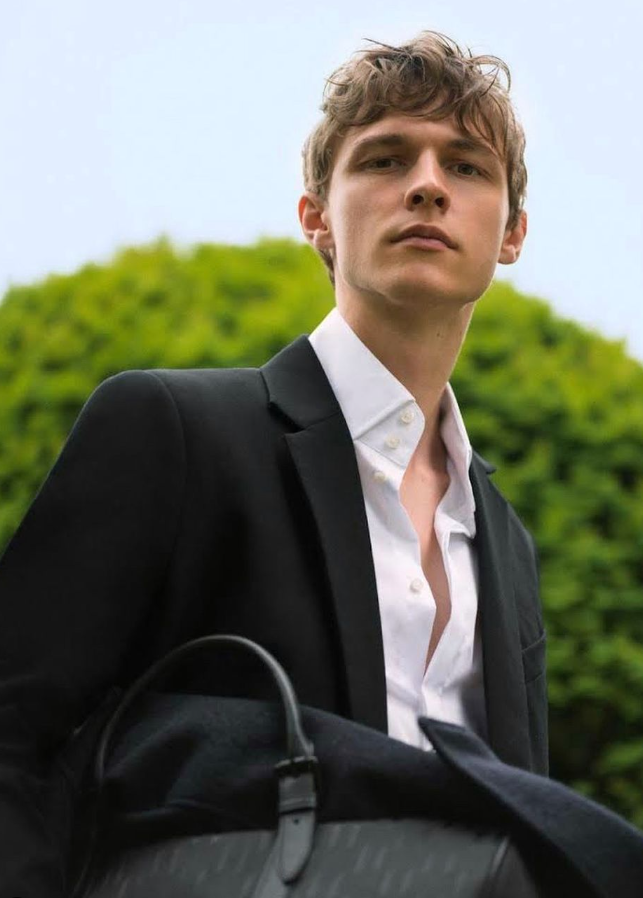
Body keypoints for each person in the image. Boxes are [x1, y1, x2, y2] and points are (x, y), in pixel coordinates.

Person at [0, 30, 544, 896]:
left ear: (510, 233)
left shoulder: (504, 539)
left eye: (467, 166)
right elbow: (13, 732)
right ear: (316, 217)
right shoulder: (172, 429)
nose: (427, 185)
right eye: (384, 159)